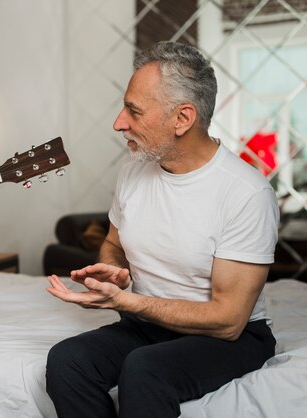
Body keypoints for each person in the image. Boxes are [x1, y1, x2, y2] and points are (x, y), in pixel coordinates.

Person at [45, 41, 279, 418]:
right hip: (150, 323)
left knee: (145, 369)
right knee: (66, 361)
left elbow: (229, 319)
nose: (119, 122)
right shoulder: (132, 172)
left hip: (229, 338)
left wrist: (127, 302)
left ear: (182, 118)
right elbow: (112, 243)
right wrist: (115, 269)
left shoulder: (246, 192)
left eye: (134, 111)